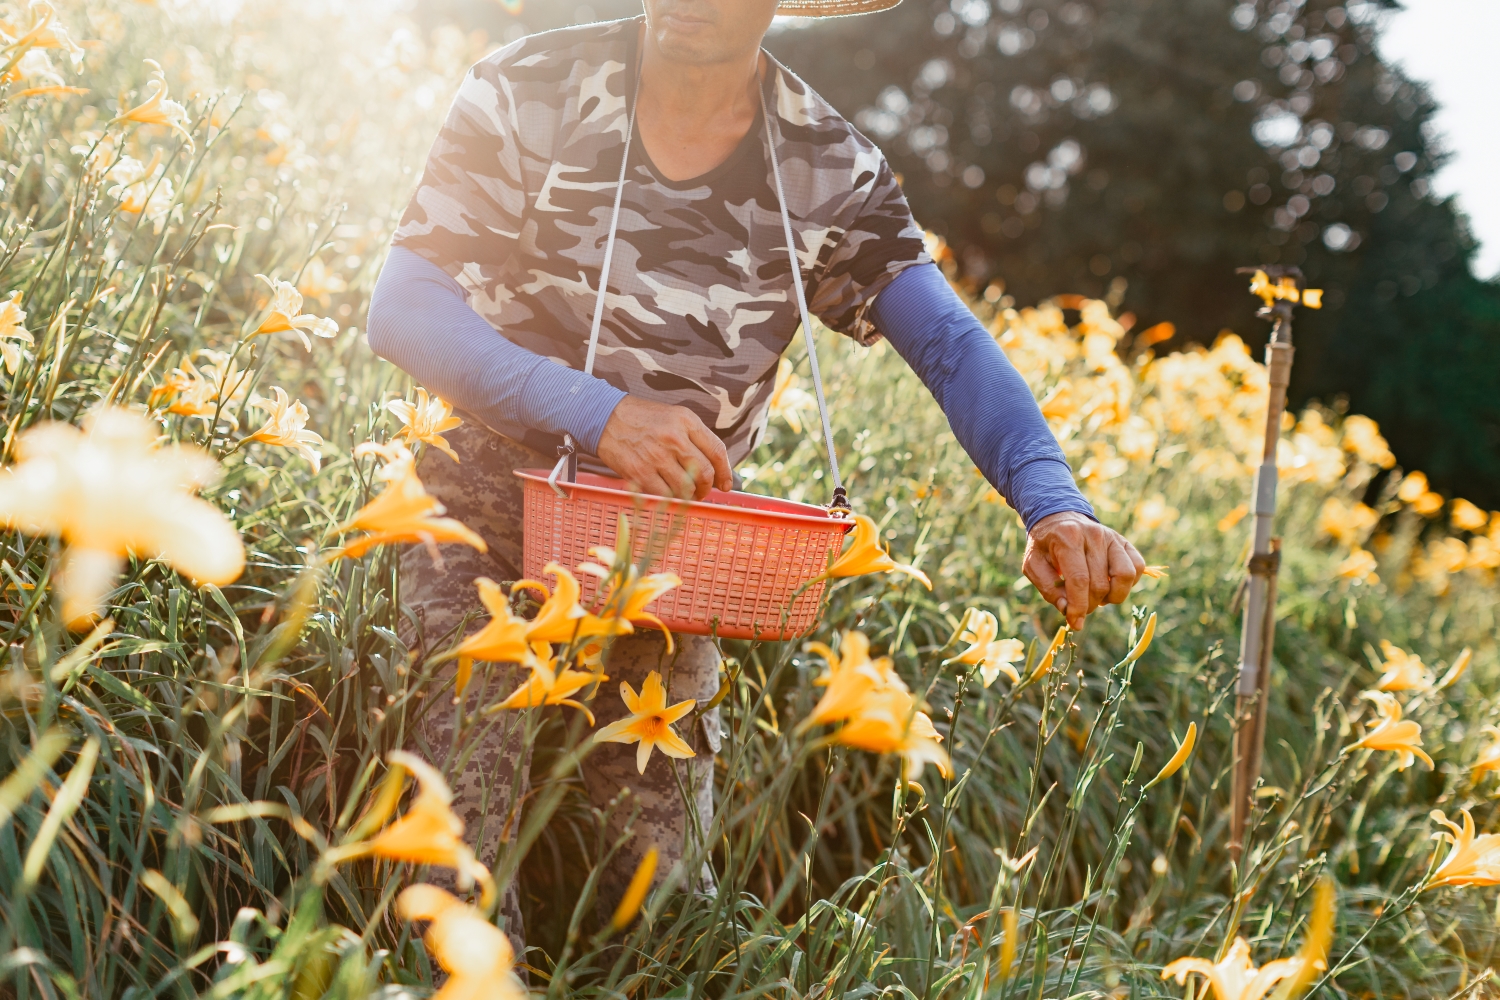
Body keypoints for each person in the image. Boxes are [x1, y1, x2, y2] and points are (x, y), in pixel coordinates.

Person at [365, 0, 1145, 949]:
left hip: (670, 554)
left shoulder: (829, 168)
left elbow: (947, 341)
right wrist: (600, 414)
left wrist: (1052, 504)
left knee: (654, 911)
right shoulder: (530, 88)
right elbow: (404, 307)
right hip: (479, 518)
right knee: (449, 867)